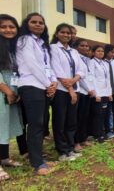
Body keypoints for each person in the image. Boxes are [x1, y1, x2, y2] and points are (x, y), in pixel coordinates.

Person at [16, 13, 57, 175]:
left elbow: (47, 65)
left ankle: (39, 157)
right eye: (34, 22)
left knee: (42, 123)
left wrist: (53, 82)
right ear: (27, 24)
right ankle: (37, 163)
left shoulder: (42, 43)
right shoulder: (24, 40)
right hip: (31, 85)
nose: (38, 25)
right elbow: (32, 65)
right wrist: (49, 84)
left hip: (44, 86)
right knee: (36, 124)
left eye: (41, 22)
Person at [50, 23, 84, 161]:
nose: (66, 35)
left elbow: (82, 70)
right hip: (61, 91)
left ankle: (70, 148)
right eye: (62, 32)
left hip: (74, 89)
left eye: (68, 33)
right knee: (60, 121)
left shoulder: (74, 52)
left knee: (71, 121)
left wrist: (74, 80)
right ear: (57, 33)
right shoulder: (53, 48)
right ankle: (62, 151)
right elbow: (56, 69)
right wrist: (70, 88)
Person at [0, 14, 25, 181]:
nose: (8, 30)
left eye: (12, 26)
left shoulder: (12, 47)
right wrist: (7, 90)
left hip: (13, 90)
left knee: (7, 125)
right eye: (4, 27)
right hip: (3, 89)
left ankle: (4, 158)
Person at [74, 38, 94, 151]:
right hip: (80, 91)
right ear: (76, 47)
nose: (85, 48)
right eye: (82, 45)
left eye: (87, 46)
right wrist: (88, 89)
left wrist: (91, 90)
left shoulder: (87, 60)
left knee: (85, 117)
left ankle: (83, 138)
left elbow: (90, 77)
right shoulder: (76, 58)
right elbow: (79, 77)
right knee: (78, 118)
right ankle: (76, 142)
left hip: (88, 92)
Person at [91, 45, 112, 142]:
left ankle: (102, 132)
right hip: (98, 93)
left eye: (102, 51)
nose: (100, 53)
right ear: (93, 52)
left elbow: (107, 79)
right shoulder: (92, 63)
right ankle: (97, 135)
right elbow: (92, 79)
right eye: (98, 51)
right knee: (97, 115)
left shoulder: (104, 63)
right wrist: (96, 94)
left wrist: (109, 93)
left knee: (104, 114)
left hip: (105, 93)